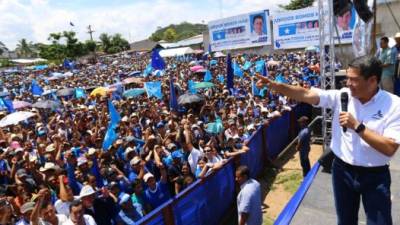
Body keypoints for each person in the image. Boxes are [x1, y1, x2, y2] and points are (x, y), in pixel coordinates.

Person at [256, 55, 400, 225]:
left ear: (372, 80)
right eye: (347, 78)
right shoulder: (342, 96)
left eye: (353, 79)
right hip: (342, 172)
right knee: (345, 221)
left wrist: (358, 127)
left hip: (375, 177)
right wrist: (276, 86)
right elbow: (307, 94)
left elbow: (389, 147)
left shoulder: (394, 105)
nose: (347, 83)